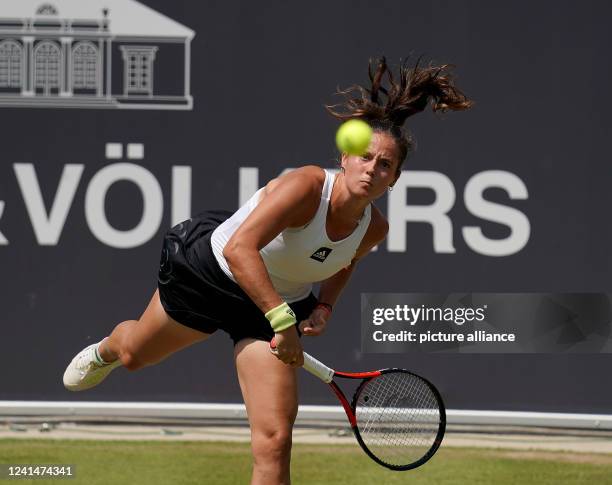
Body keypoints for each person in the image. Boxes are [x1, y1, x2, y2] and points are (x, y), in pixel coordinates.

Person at [62, 57, 472, 485]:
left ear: (395, 178)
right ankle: (106, 349)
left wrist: (325, 307)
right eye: (365, 157)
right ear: (345, 158)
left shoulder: (375, 229)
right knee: (134, 356)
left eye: (384, 165)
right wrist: (282, 320)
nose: (372, 169)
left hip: (277, 307)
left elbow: (344, 263)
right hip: (212, 275)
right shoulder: (305, 188)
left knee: (275, 441)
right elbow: (242, 249)